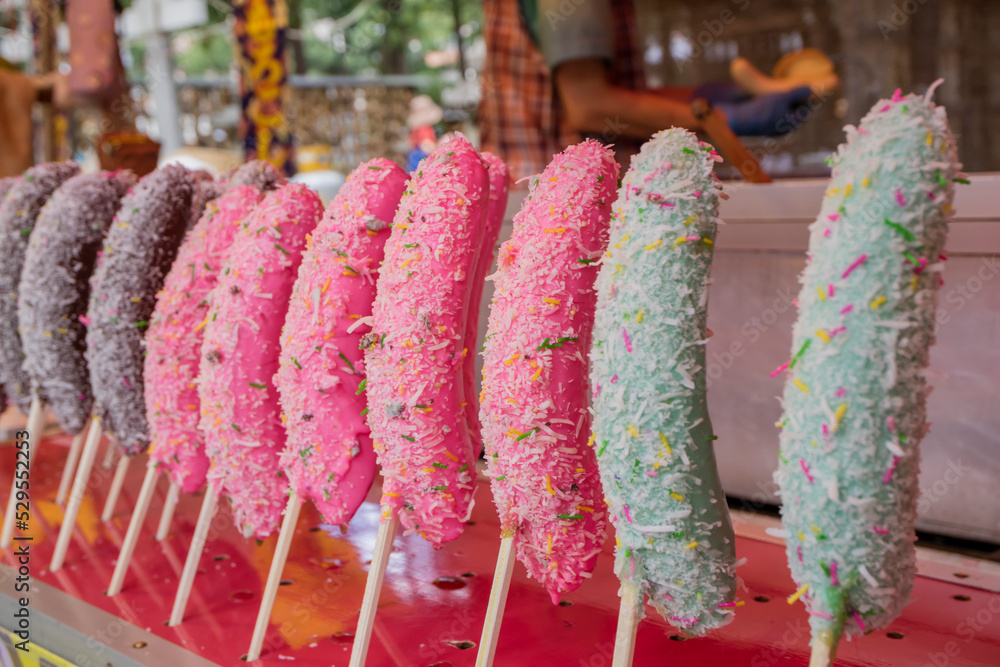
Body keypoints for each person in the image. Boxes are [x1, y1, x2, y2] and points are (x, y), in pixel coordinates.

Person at [480, 0, 837, 182]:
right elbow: (587, 105)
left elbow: (601, 96)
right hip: (557, 206)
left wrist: (705, 98)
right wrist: (722, 118)